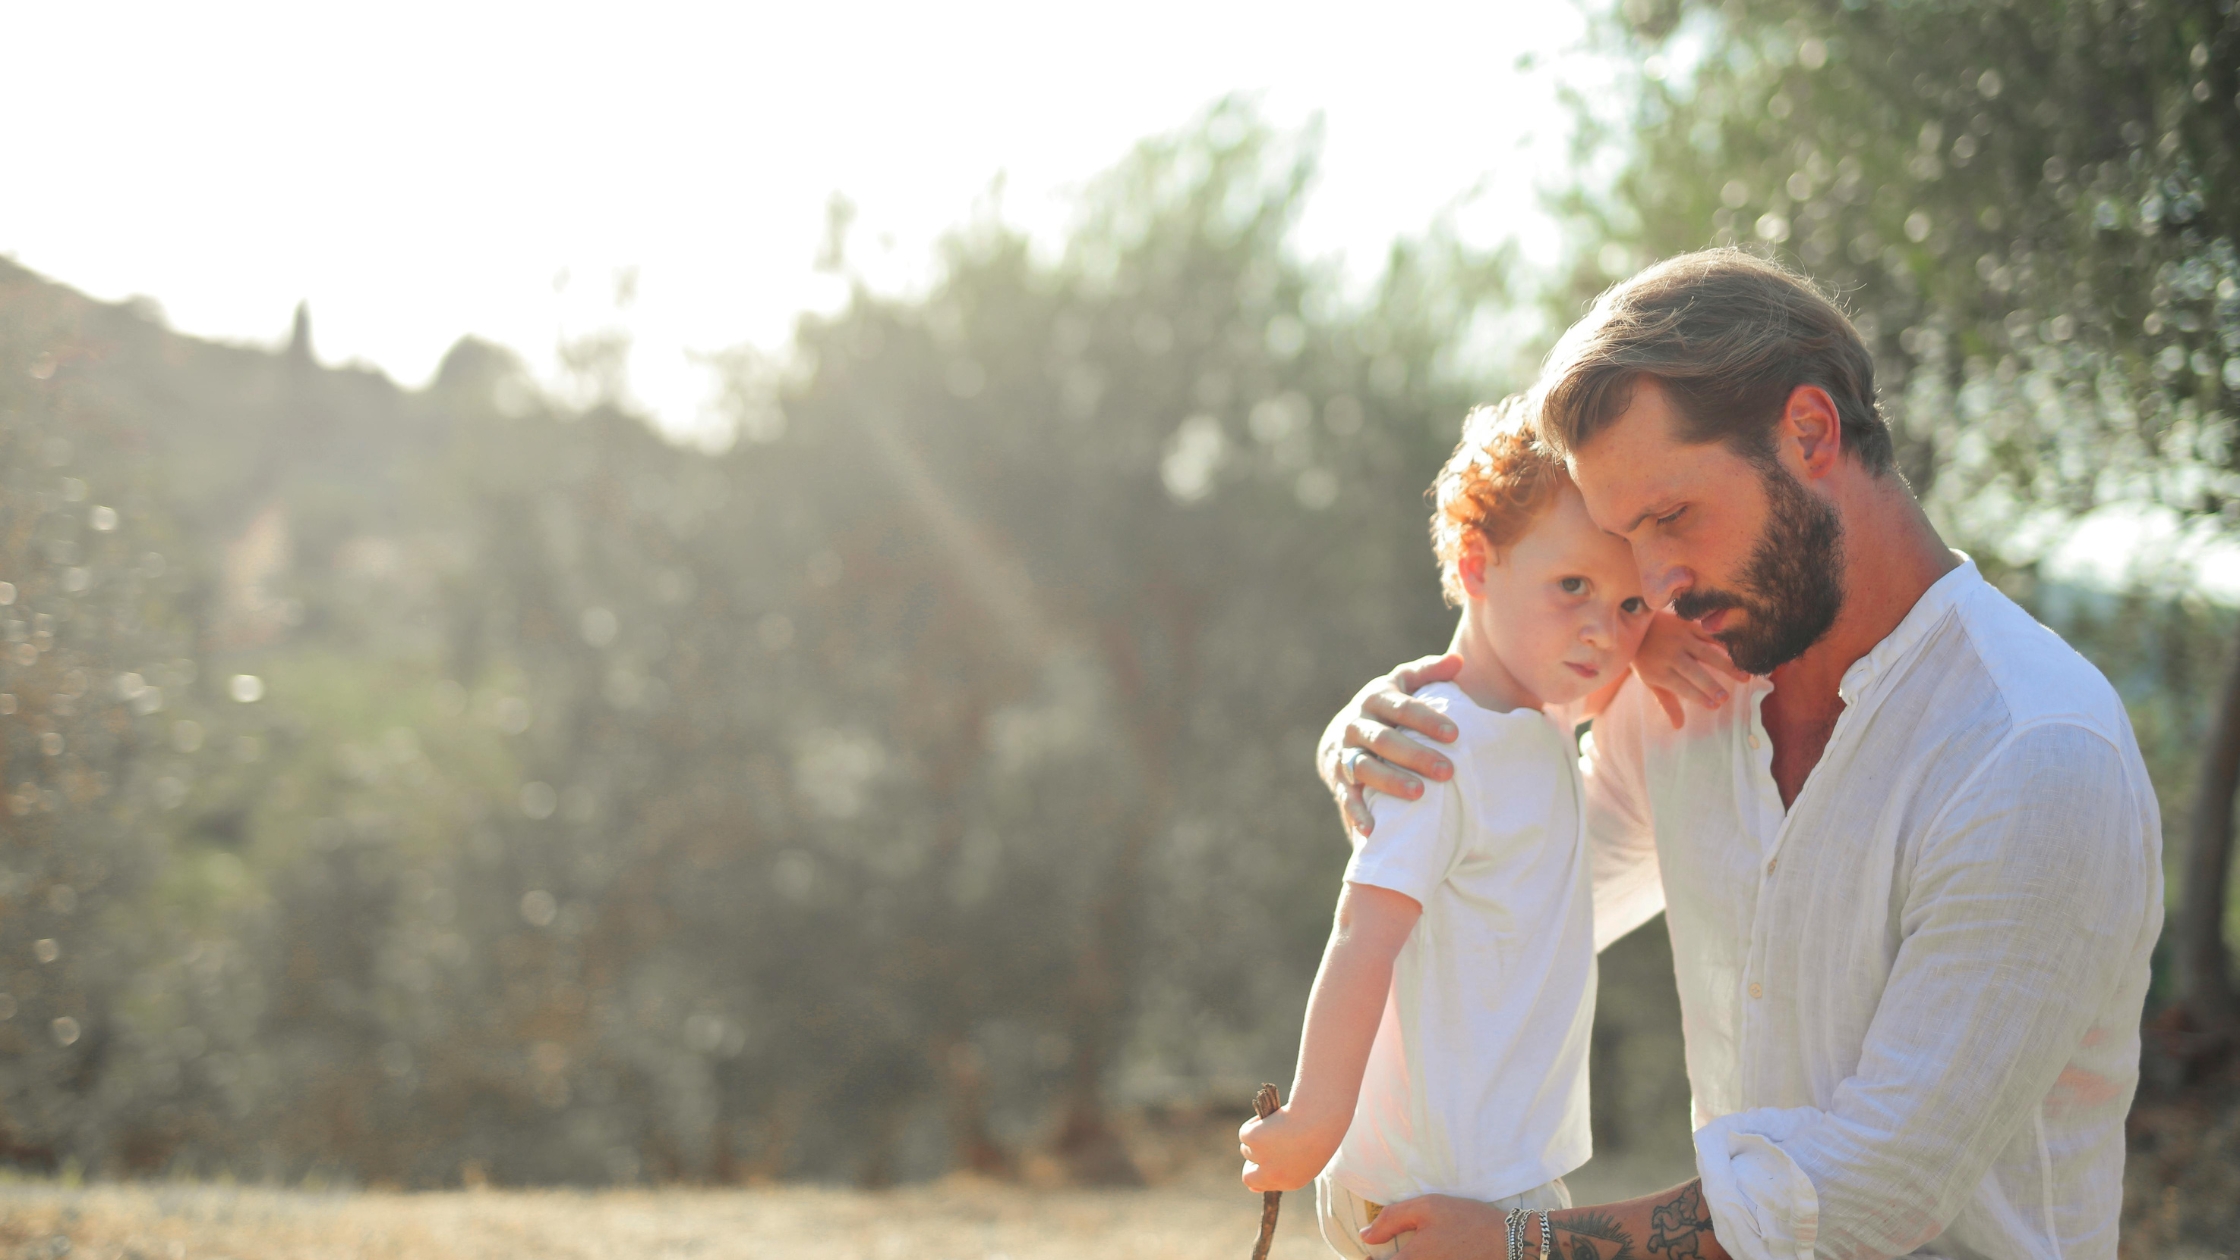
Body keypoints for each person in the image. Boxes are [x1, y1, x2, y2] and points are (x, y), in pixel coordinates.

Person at [1318, 249, 2163, 1260]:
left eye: (1671, 516)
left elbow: (1872, 1190)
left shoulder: (2032, 756)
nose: (1658, 581)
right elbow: (1501, 906)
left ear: (1807, 432)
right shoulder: (1677, 703)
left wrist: (1525, 1244)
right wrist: (1404, 746)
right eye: (1626, 539)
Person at [1239, 399, 1657, 1258]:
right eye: (1573, 585)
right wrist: (1316, 1117)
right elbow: (1363, 932)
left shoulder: (1535, 719)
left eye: (1630, 606)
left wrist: (1662, 641)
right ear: (1477, 564)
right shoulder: (1440, 742)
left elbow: (1613, 678)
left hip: (1477, 1162)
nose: (1601, 629)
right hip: (1440, 1180)